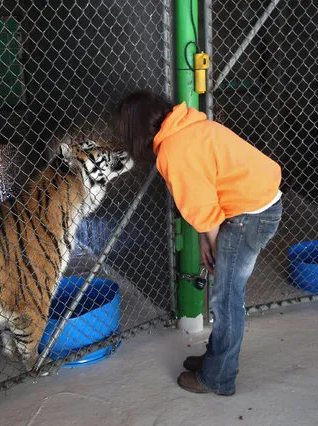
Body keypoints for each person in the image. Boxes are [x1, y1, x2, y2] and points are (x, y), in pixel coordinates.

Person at [112, 90, 283, 396]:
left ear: (135, 130)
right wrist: (208, 239)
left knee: (226, 300)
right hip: (256, 207)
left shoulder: (173, 151)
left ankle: (218, 379)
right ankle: (216, 360)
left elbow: (203, 208)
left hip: (248, 216)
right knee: (225, 297)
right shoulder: (190, 128)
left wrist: (217, 244)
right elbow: (206, 196)